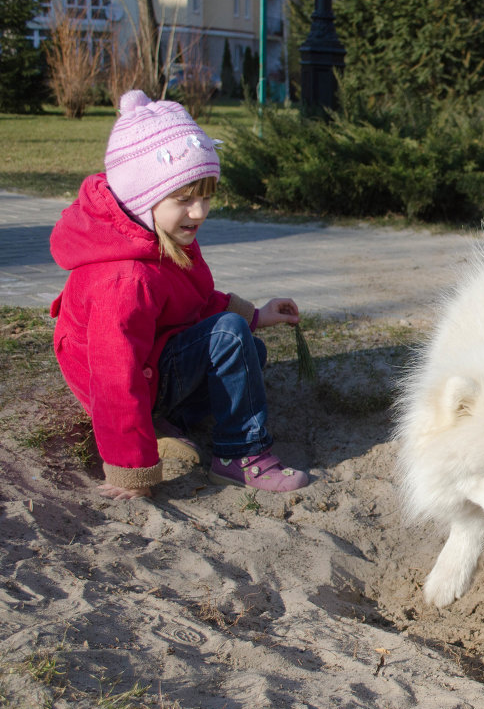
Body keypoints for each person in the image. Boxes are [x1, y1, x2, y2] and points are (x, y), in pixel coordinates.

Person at [50, 89, 309, 499]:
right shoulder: (124, 279)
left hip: (154, 359)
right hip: (129, 374)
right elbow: (114, 376)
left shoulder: (161, 232)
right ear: (142, 198)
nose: (199, 212)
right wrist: (130, 471)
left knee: (247, 351)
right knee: (228, 338)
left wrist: (255, 315)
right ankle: (242, 456)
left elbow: (192, 300)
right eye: (184, 199)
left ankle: (166, 423)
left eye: (206, 195)